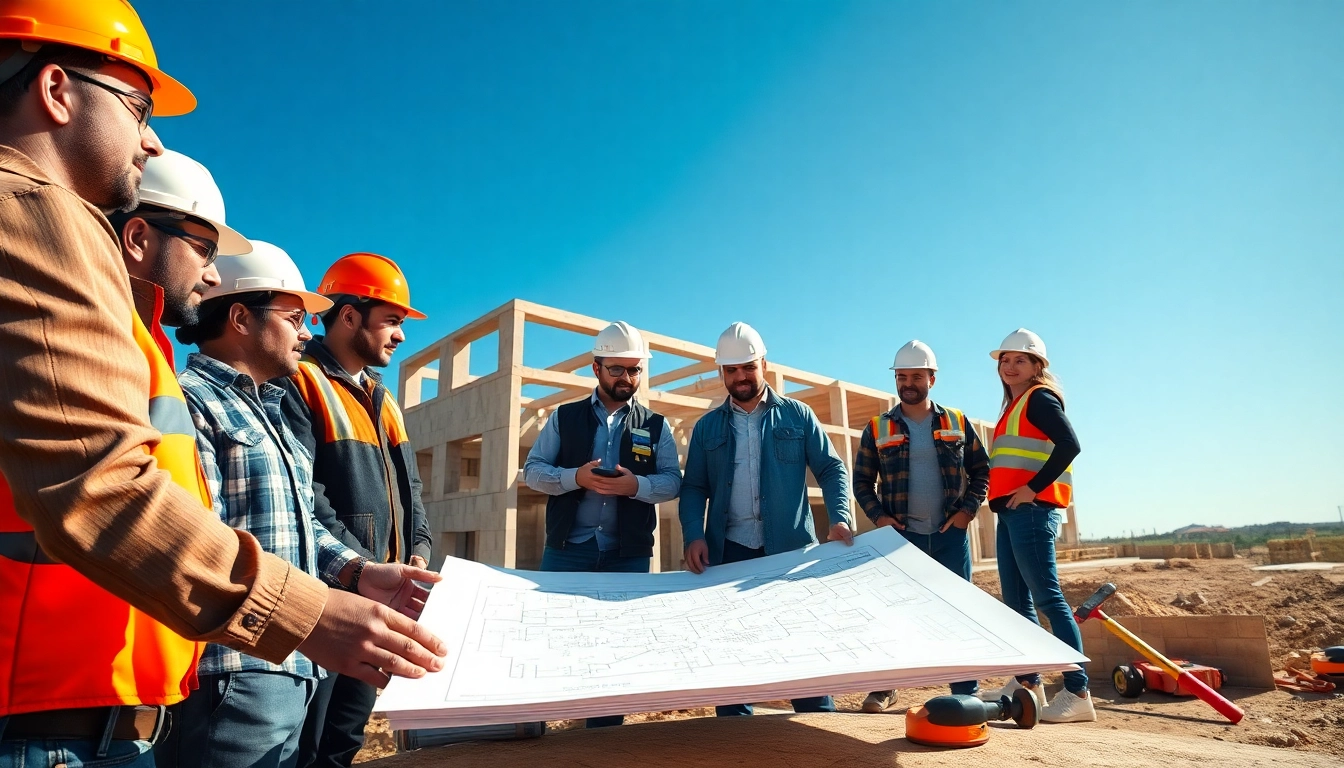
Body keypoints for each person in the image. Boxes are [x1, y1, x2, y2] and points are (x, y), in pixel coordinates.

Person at [0, 4, 441, 765]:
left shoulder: (160, 354)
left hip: (110, 701)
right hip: (60, 710)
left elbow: (297, 517)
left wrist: (358, 576)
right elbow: (101, 485)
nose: (153, 137)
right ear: (55, 89)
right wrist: (306, 615)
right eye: (137, 106)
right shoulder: (33, 214)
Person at [170, 243, 441, 767]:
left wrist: (364, 570)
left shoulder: (269, 408)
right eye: (295, 317)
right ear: (241, 317)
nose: (305, 331)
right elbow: (196, 540)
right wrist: (327, 599)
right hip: (240, 662)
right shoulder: (193, 402)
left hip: (299, 651)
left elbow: (302, 521)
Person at [283, 252, 435, 766]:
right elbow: (305, 497)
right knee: (307, 740)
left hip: (384, 595)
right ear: (348, 316)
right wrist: (361, 570)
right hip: (328, 606)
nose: (400, 335)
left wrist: (418, 551)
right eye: (391, 321)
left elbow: (412, 489)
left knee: (344, 740)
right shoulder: (299, 381)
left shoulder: (383, 398)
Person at [679, 322, 854, 717]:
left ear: (763, 364)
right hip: (729, 554)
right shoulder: (707, 427)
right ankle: (738, 738)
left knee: (801, 647)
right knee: (735, 652)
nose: (740, 377)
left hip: (790, 553)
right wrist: (693, 534)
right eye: (731, 370)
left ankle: (818, 724)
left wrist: (840, 517)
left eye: (748, 367)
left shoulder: (798, 415)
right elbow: (693, 489)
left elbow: (831, 469)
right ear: (721, 372)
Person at [522, 321, 683, 728]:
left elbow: (672, 481)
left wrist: (636, 486)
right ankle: (537, 737)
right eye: (617, 369)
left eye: (634, 370)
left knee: (614, 655)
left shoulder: (656, 425)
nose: (627, 378)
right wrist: (574, 477)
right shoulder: (565, 417)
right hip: (565, 552)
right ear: (596, 369)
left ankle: (603, 739)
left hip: (626, 557)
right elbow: (533, 471)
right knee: (552, 647)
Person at [853, 340, 990, 714]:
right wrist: (881, 519)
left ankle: (966, 689)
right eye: (902, 376)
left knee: (959, 612)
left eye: (916, 376)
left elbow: (982, 472)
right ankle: (885, 687)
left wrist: (966, 513)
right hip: (900, 540)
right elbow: (862, 482)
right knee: (891, 612)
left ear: (932, 377)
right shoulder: (878, 427)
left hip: (949, 536)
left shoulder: (957, 422)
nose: (908, 383)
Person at [980, 328, 1093, 723]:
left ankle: (1078, 691)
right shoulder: (1013, 406)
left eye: (1019, 360)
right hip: (1011, 512)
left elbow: (1070, 444)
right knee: (1017, 604)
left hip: (1031, 511)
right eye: (1004, 360)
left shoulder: (1039, 398)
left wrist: (1032, 488)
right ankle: (1027, 681)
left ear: (1036, 366)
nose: (1009, 366)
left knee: (1048, 599)